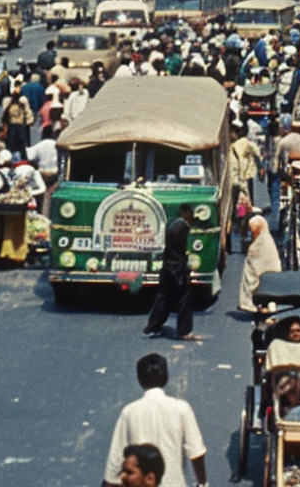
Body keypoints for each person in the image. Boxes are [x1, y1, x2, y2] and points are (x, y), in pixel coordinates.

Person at [102, 354, 207, 487]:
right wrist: (203, 483)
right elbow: (196, 453)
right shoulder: (182, 408)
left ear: (140, 379)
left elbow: (114, 466)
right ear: (165, 377)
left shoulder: (129, 412)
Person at [144, 204, 196, 340]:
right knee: (184, 298)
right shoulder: (183, 227)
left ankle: (153, 324)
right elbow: (181, 251)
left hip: (167, 267)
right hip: (177, 268)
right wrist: (186, 269)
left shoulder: (171, 225)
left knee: (163, 296)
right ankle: (184, 331)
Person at [238, 213, 282, 313]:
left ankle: (249, 302)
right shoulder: (267, 238)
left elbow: (255, 234)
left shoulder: (255, 223)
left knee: (252, 275)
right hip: (266, 253)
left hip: (259, 252)